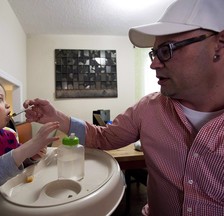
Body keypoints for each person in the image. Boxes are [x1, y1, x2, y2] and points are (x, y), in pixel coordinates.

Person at [23, 0, 224, 215]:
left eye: (167, 49)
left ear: (218, 45)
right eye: (154, 53)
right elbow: (103, 138)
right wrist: (57, 117)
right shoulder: (148, 108)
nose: (154, 63)